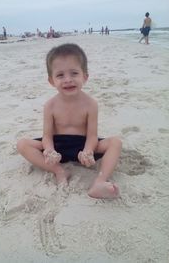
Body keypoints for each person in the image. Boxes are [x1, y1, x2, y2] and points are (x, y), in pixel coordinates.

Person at [17, 43, 122, 199]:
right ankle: (59, 171)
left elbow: (92, 135)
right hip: (58, 147)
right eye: (60, 75)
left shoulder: (90, 104)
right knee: (22, 144)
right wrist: (49, 150)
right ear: (51, 81)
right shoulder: (50, 105)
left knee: (115, 142)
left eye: (74, 73)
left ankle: (99, 181)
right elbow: (47, 136)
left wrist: (88, 151)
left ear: (85, 76)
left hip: (83, 146)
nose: (68, 80)